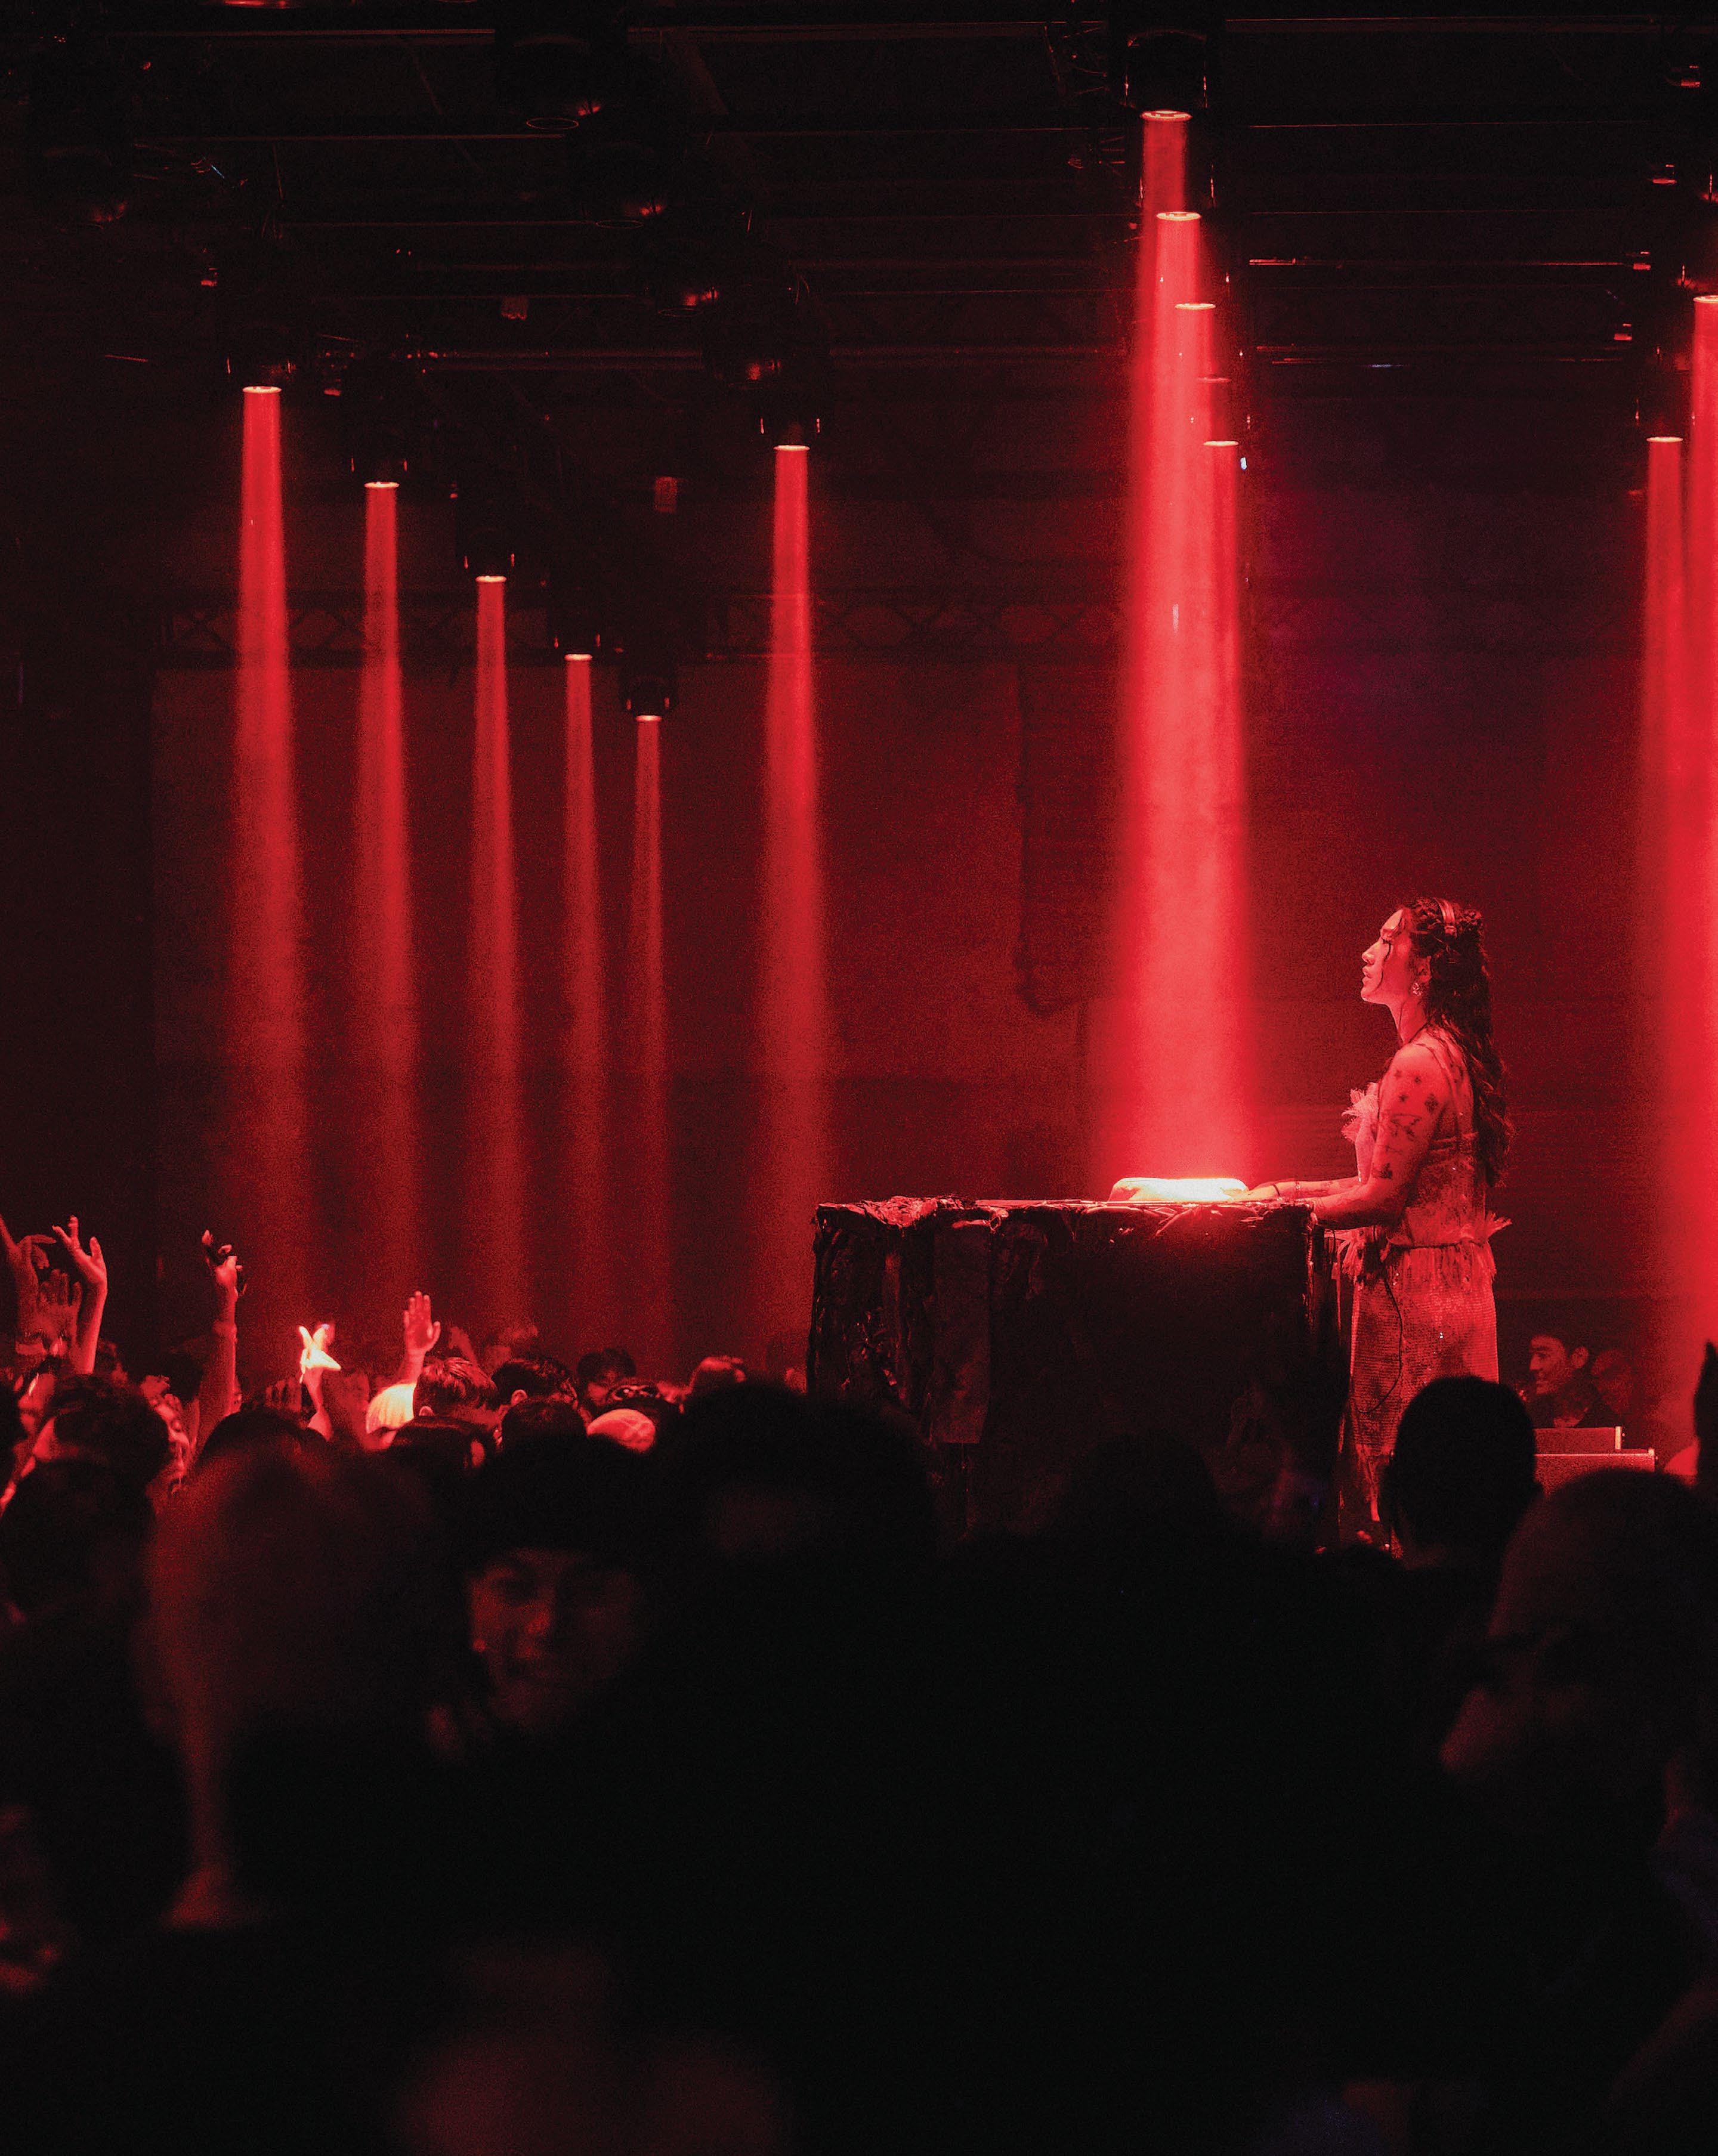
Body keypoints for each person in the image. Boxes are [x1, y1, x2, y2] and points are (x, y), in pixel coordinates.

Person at [1247, 899, 1511, 1532]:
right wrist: (1285, 1190)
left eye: (1387, 941)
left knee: (1403, 1473)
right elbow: (1397, 1184)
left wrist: (1285, 1219)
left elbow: (1383, 1201)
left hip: (1415, 1299)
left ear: (1423, 969)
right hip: (1452, 1284)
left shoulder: (1418, 1063)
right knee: (1448, 1479)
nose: (1369, 952)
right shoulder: (1448, 1053)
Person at [1525, 1327, 1614, 1431]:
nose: (1533, 1366)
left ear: (1579, 1358)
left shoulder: (1606, 1423)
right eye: (1532, 1356)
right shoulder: (1530, 1419)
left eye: (1543, 1355)